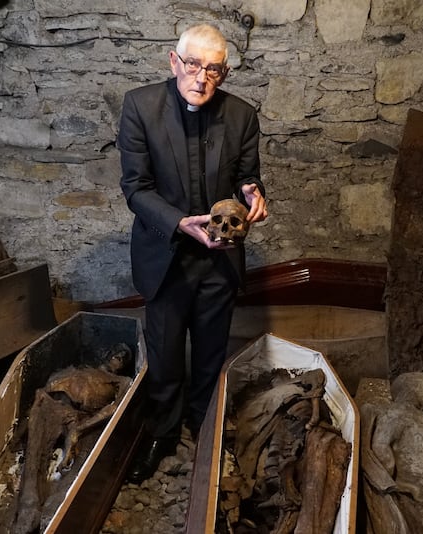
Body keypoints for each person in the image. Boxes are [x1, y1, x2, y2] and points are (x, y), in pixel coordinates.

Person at [117, 23, 268, 484]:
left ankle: (205, 429)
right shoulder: (140, 107)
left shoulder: (241, 115)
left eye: (214, 70)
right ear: (173, 61)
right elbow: (136, 188)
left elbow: (249, 178)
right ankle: (162, 434)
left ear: (223, 72)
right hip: (166, 256)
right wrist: (179, 222)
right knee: (164, 356)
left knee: (210, 353)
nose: (201, 79)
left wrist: (254, 195)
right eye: (193, 65)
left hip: (219, 259)